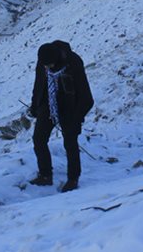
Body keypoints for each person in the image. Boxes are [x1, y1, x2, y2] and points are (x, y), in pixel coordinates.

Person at [28, 40, 94, 192]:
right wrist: (35, 106)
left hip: (70, 106)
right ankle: (45, 175)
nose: (46, 68)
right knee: (39, 139)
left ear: (57, 60)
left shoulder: (73, 63)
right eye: (44, 65)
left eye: (49, 65)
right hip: (48, 104)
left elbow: (86, 98)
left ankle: (73, 179)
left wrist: (76, 118)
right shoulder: (44, 61)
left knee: (70, 142)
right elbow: (38, 84)